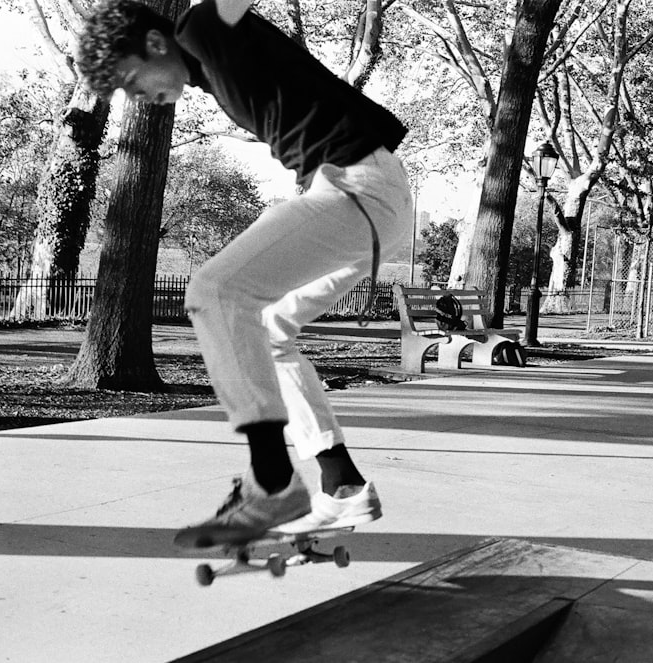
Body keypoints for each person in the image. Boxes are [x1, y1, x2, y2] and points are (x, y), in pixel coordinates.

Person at [76, 0, 413, 537]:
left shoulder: (204, 27)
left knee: (215, 290)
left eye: (133, 82)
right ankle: (341, 483)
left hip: (357, 190)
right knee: (271, 329)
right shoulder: (207, 68)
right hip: (365, 197)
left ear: (157, 44)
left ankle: (272, 482)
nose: (137, 99)